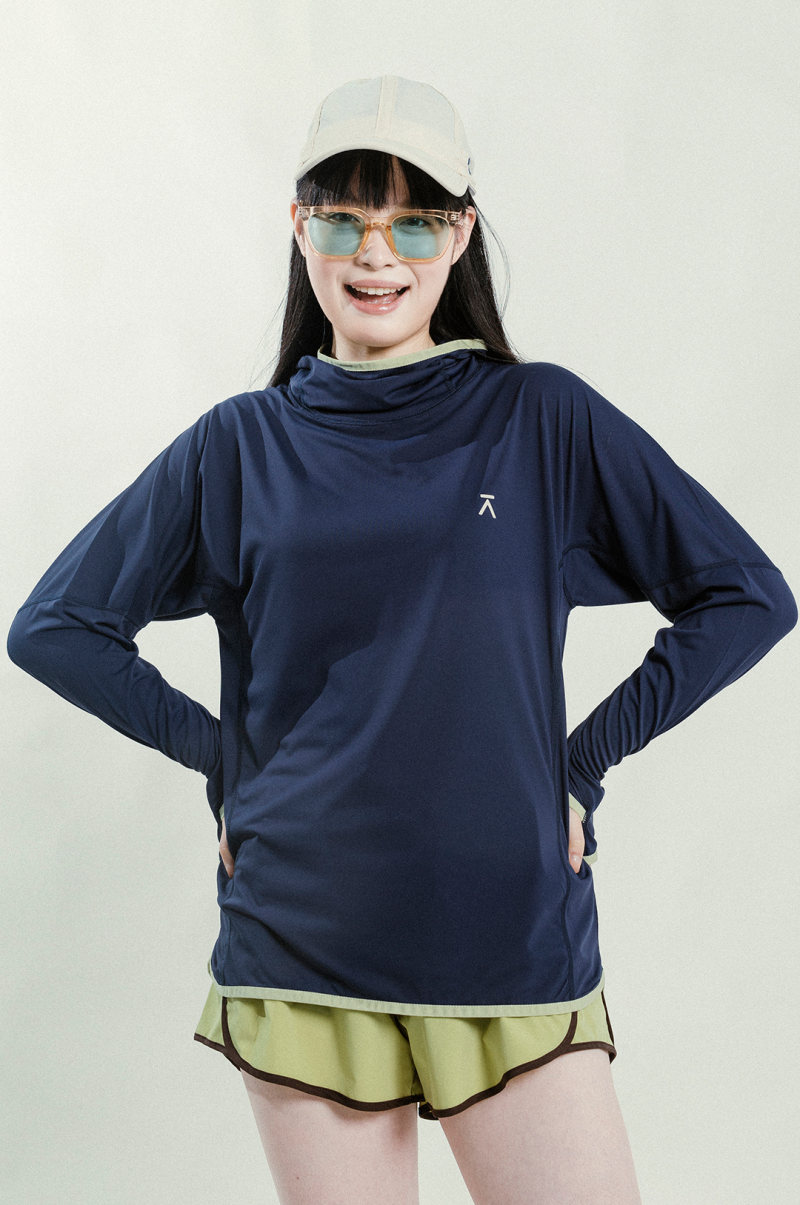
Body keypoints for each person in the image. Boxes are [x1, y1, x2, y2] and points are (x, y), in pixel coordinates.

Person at [7, 75, 796, 1205]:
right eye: (344, 219)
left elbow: (745, 594)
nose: (377, 255)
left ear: (460, 232)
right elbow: (56, 626)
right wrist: (228, 762)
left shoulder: (539, 420)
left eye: (414, 221)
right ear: (300, 228)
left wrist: (577, 765)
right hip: (304, 941)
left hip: (509, 936)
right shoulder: (240, 446)